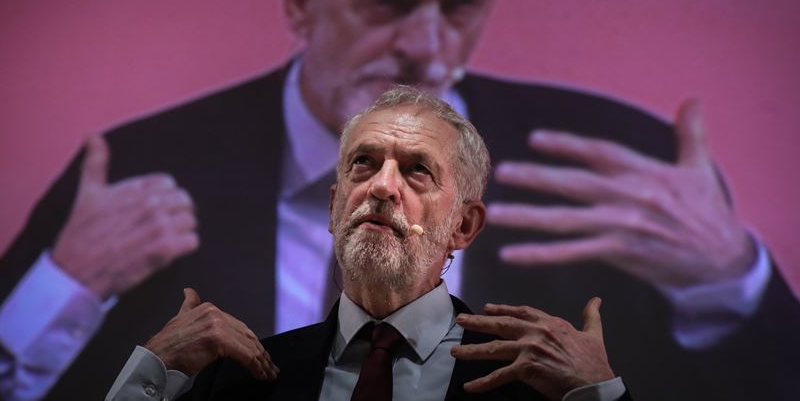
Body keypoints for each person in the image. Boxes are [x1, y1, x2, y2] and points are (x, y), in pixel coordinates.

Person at [0, 0, 797, 399]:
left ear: (469, 220)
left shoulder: (629, 170)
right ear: (302, 1)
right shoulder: (138, 169)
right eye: (390, 3)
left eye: (462, 5)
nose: (427, 45)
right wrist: (63, 288)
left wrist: (731, 279)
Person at [106, 89, 631, 401]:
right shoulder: (243, 382)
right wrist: (154, 370)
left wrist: (600, 394)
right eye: (365, 162)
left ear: (464, 227)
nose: (381, 186)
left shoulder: (528, 382)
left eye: (416, 170)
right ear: (336, 207)